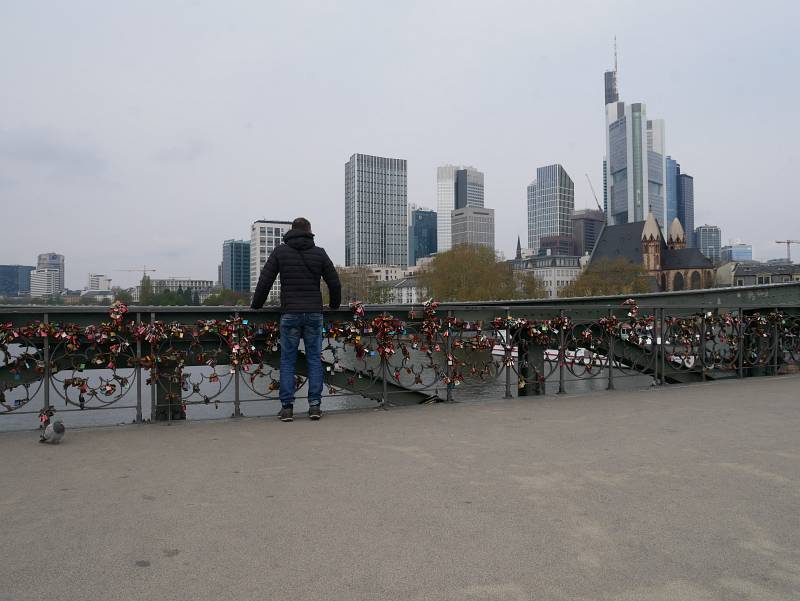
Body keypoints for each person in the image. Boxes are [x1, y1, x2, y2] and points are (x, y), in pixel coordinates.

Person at [250, 217, 341, 422]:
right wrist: (335, 305)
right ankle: (315, 406)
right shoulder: (319, 253)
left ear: (292, 231)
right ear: (310, 232)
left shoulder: (281, 252)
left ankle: (287, 408)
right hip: (314, 314)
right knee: (314, 361)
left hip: (290, 312)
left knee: (287, 361)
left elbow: (266, 280)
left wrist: (256, 305)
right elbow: (335, 283)